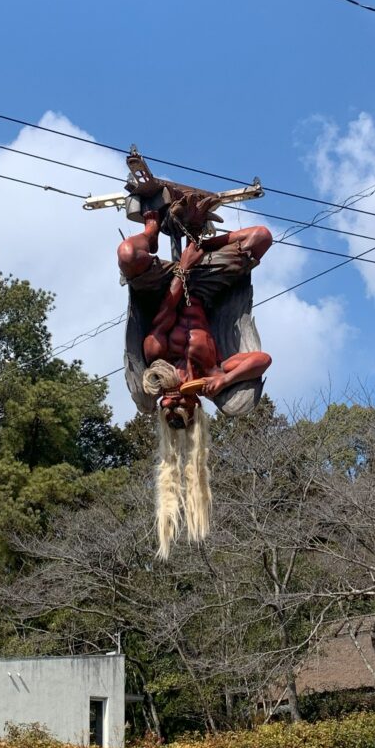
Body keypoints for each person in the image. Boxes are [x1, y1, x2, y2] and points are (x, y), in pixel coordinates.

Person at [117, 192, 273, 555]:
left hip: (163, 286)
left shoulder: (155, 360)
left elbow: (165, 310)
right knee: (261, 237)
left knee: (128, 255)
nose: (170, 402)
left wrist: (182, 268)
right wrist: (226, 379)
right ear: (192, 407)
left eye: (166, 406)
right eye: (179, 408)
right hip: (203, 285)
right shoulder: (212, 373)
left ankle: (153, 229)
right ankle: (201, 234)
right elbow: (262, 360)